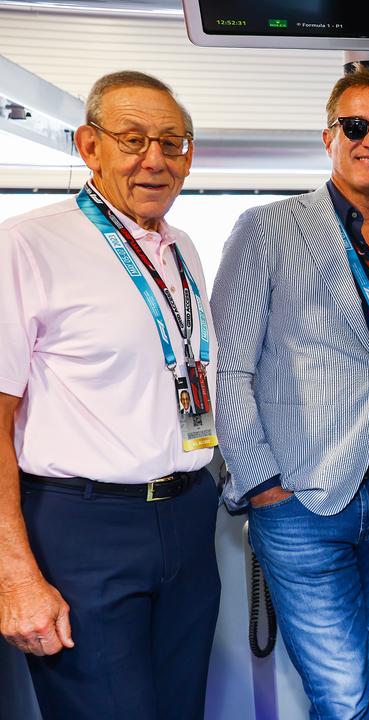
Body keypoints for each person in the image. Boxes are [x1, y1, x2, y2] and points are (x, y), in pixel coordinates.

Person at [211, 64, 369, 718]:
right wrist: (264, 484)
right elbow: (227, 370)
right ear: (329, 138)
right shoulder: (265, 230)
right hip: (302, 503)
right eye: (355, 125)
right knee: (344, 696)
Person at [0, 71, 220, 719]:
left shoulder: (183, 249)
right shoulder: (25, 245)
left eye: (171, 143)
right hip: (82, 528)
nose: (154, 159)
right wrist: (13, 573)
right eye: (132, 139)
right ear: (89, 146)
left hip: (185, 516)